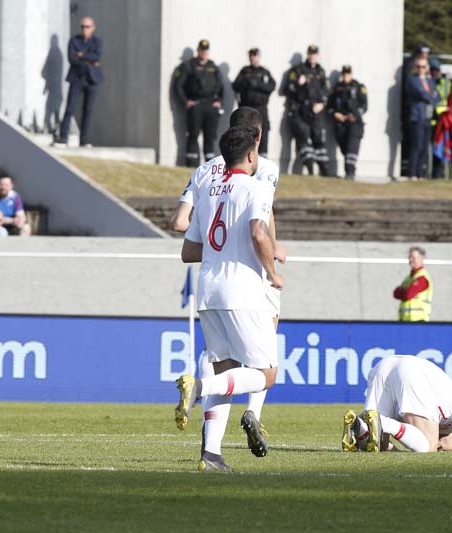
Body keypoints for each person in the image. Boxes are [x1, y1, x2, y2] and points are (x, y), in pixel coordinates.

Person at [169, 107, 286, 459]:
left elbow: (188, 250)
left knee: (227, 370)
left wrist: (222, 246)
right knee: (266, 374)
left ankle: (211, 455)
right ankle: (199, 387)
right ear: (252, 153)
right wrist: (273, 273)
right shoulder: (257, 185)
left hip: (209, 291)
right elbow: (259, 234)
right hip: (244, 291)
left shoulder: (208, 189)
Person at [342, 355, 452, 453]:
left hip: (383, 366)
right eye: (444, 450)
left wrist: (398, 453)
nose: (440, 450)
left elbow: (386, 447)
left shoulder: (419, 424)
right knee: (428, 446)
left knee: (378, 444)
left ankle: (357, 426)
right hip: (412, 370)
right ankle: (383, 422)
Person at [174, 39, 225, 167]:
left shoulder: (213, 67)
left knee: (210, 136)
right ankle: (192, 165)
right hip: (195, 105)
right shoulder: (188, 65)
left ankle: (210, 167)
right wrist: (186, 101)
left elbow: (221, 87)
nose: (204, 53)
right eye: (202, 50)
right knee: (193, 134)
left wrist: (219, 101)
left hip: (210, 106)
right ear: (198, 51)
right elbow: (178, 86)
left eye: (206, 51)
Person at [55, 16, 103, 148]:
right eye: (82, 26)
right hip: (77, 79)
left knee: (88, 110)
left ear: (93, 28)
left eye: (87, 27)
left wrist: (82, 55)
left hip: (92, 80)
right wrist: (90, 62)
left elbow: (97, 56)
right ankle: (63, 138)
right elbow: (72, 59)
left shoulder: (97, 42)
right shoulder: (74, 41)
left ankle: (84, 140)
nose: (84, 29)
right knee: (70, 108)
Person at [283, 45, 330, 176]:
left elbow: (326, 91)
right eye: (310, 53)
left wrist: (322, 104)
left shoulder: (320, 71)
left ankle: (324, 171)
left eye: (315, 54)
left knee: (318, 140)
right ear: (307, 54)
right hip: (301, 111)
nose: (312, 56)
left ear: (317, 55)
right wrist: (298, 84)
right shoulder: (298, 70)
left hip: (317, 112)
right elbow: (287, 89)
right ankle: (310, 169)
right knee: (303, 139)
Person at [231, 48, 276, 157]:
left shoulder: (264, 72)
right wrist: (246, 83)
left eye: (254, 55)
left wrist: (257, 85)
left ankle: (263, 155)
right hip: (246, 107)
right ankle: (245, 155)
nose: (252, 58)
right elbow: (235, 86)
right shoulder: (244, 71)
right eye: (251, 55)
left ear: (259, 57)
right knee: (245, 132)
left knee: (262, 131)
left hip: (260, 107)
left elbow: (271, 86)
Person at [327, 65, 367, 179]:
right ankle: (349, 172)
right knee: (345, 149)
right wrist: (335, 114)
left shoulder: (358, 87)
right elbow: (329, 106)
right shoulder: (337, 88)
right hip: (341, 123)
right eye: (344, 74)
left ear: (351, 74)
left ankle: (350, 173)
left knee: (351, 148)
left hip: (354, 123)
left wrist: (355, 114)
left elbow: (364, 105)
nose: (346, 76)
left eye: (348, 74)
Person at [404, 56, 438, 180]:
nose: (421, 69)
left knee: (424, 146)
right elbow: (421, 94)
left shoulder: (430, 81)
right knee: (416, 145)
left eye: (423, 67)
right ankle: (412, 173)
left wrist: (430, 96)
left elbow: (436, 96)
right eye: (418, 67)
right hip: (417, 117)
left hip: (427, 116)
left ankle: (420, 173)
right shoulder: (412, 80)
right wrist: (429, 95)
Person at [393, 246, 432, 322]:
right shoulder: (409, 278)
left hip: (418, 321)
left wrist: (403, 291)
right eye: (410, 257)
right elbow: (395, 293)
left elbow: (408, 294)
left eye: (414, 257)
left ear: (421, 259)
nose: (411, 260)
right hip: (405, 320)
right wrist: (404, 292)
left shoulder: (422, 277)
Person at [429, 58, 451, 178]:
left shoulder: (444, 83)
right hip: (428, 119)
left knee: (439, 148)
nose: (435, 73)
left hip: (441, 121)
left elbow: (442, 95)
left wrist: (435, 86)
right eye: (433, 70)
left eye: (436, 70)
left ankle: (436, 174)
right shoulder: (426, 81)